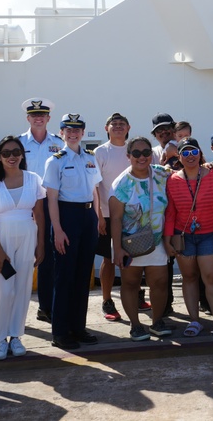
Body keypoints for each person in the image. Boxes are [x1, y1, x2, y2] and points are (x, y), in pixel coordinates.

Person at [0, 136, 45, 360]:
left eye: (16, 152)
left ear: (22, 154)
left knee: (22, 289)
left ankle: (16, 336)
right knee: (3, 291)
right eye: (6, 153)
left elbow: (40, 215)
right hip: (1, 238)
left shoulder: (33, 179)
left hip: (28, 235)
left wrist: (41, 245)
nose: (12, 156)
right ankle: (0, 339)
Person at [164, 137, 213, 339]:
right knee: (189, 277)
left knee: (211, 277)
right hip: (183, 236)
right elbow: (170, 213)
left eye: (193, 152)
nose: (190, 156)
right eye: (185, 153)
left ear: (200, 153)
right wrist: (168, 239)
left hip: (210, 235)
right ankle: (194, 321)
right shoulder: (173, 180)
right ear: (179, 156)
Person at [43, 113, 102, 350]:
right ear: (61, 133)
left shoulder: (90, 158)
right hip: (66, 216)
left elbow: (96, 190)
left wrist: (97, 219)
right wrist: (57, 229)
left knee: (82, 276)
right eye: (68, 130)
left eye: (77, 129)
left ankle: (78, 327)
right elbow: (52, 199)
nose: (73, 133)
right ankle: (60, 331)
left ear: (83, 132)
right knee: (64, 276)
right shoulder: (55, 161)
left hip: (88, 217)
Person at [110, 136, 173, 341]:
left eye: (146, 152)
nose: (142, 157)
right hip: (131, 243)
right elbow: (116, 219)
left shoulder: (162, 175)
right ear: (128, 156)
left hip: (157, 241)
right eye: (136, 153)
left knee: (160, 283)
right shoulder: (121, 184)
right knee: (130, 284)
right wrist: (118, 249)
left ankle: (156, 322)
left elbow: (185, 174)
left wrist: (207, 165)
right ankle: (135, 325)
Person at [19, 98, 63, 325]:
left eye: (42, 114)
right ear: (28, 118)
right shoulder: (16, 143)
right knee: (21, 255)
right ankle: (15, 312)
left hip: (50, 203)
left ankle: (46, 306)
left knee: (49, 257)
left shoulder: (59, 142)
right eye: (34, 114)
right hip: (23, 205)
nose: (38, 118)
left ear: (48, 118)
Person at [93, 112, 131, 322]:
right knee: (108, 259)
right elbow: (95, 186)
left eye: (121, 124)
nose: (117, 126)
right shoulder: (99, 152)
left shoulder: (135, 148)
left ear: (128, 127)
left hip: (134, 216)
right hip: (107, 215)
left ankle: (134, 297)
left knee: (134, 259)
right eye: (113, 124)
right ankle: (108, 300)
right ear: (106, 128)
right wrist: (98, 214)